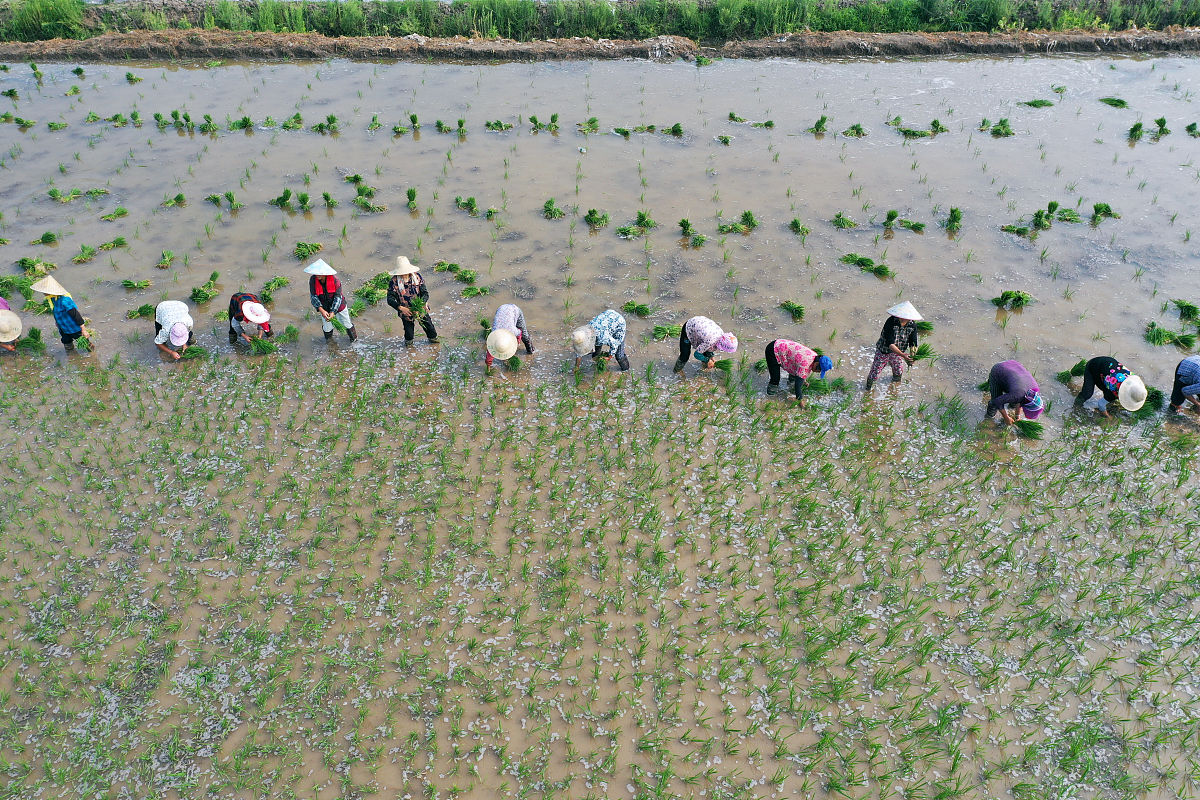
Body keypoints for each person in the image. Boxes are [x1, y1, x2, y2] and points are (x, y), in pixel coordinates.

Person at [864, 301, 922, 390]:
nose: (903, 319)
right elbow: (890, 343)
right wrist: (903, 355)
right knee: (875, 372)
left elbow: (913, 343)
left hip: (898, 352)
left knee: (898, 370)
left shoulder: (912, 325)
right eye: (902, 316)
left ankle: (894, 387)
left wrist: (913, 357)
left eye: (906, 317)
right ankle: (868, 389)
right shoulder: (891, 322)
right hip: (884, 351)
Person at [765, 339, 833, 407]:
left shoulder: (815, 356)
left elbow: (799, 369)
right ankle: (770, 397)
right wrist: (800, 401)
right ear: (817, 363)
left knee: (795, 375)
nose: (818, 372)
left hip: (780, 344)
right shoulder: (805, 364)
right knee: (775, 379)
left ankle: (790, 384)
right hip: (773, 351)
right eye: (819, 369)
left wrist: (803, 380)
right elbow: (797, 386)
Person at [386, 256, 438, 345]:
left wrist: (423, 303)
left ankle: (434, 343)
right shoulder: (394, 282)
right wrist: (401, 308)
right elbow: (390, 299)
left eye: (405, 272)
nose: (404, 275)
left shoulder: (417, 277)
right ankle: (409, 348)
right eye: (401, 273)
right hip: (406, 311)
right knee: (409, 334)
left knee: (429, 328)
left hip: (420, 308)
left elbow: (425, 293)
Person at [30, 276, 91, 351]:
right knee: (66, 341)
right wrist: (57, 322)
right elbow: (56, 312)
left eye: (44, 291)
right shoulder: (52, 299)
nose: (43, 292)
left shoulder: (65, 300)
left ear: (50, 291)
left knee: (84, 342)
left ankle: (91, 354)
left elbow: (76, 315)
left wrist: (83, 330)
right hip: (63, 327)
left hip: (73, 327)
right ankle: (71, 354)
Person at [1075, 355, 1146, 417]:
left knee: (1107, 392)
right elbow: (1100, 404)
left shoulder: (1131, 379)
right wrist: (1107, 416)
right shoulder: (1112, 394)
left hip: (1108, 363)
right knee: (1087, 394)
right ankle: (1075, 406)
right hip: (1092, 366)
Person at [305, 258, 356, 343]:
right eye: (316, 273)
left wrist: (333, 312)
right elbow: (313, 297)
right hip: (324, 308)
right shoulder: (313, 280)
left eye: (320, 273)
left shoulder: (335, 281)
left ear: (325, 273)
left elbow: (338, 298)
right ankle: (330, 343)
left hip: (339, 307)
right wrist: (322, 310)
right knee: (327, 328)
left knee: (346, 324)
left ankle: (354, 341)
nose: (317, 275)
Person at [984, 360, 1045, 424]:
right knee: (994, 403)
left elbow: (1021, 400)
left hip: (1012, 365)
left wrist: (1017, 415)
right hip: (998, 370)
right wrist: (1006, 418)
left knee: (1014, 401)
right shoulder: (1018, 395)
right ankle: (988, 418)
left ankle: (1009, 406)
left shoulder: (1033, 392)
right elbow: (997, 401)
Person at [673, 316, 738, 373]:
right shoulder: (711, 340)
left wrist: (711, 356)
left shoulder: (722, 337)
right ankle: (676, 371)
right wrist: (707, 360)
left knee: (706, 352)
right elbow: (696, 354)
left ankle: (704, 368)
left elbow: (709, 347)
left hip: (700, 326)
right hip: (689, 327)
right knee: (685, 355)